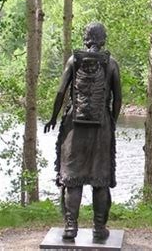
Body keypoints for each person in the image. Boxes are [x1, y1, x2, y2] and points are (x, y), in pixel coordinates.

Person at [44, 22, 122, 240]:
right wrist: (111, 122)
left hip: (74, 126)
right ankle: (98, 228)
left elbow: (61, 92)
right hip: (101, 126)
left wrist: (53, 117)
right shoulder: (111, 63)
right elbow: (118, 99)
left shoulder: (74, 60)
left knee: (73, 178)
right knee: (100, 178)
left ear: (85, 39)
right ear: (103, 39)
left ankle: (71, 227)